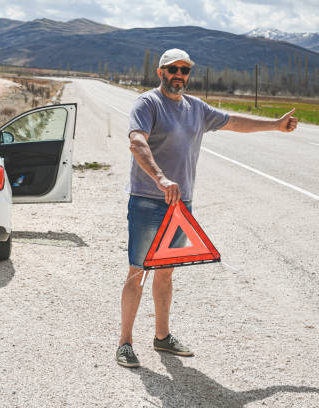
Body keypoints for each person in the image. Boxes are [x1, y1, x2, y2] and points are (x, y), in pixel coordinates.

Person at [116, 48, 298, 368]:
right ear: (160, 72)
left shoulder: (195, 108)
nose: (179, 75)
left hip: (180, 206)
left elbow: (234, 122)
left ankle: (162, 337)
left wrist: (275, 125)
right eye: (173, 69)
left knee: (166, 273)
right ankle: (125, 343)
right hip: (147, 200)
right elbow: (136, 142)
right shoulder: (148, 103)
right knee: (138, 273)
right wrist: (160, 178)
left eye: (185, 71)